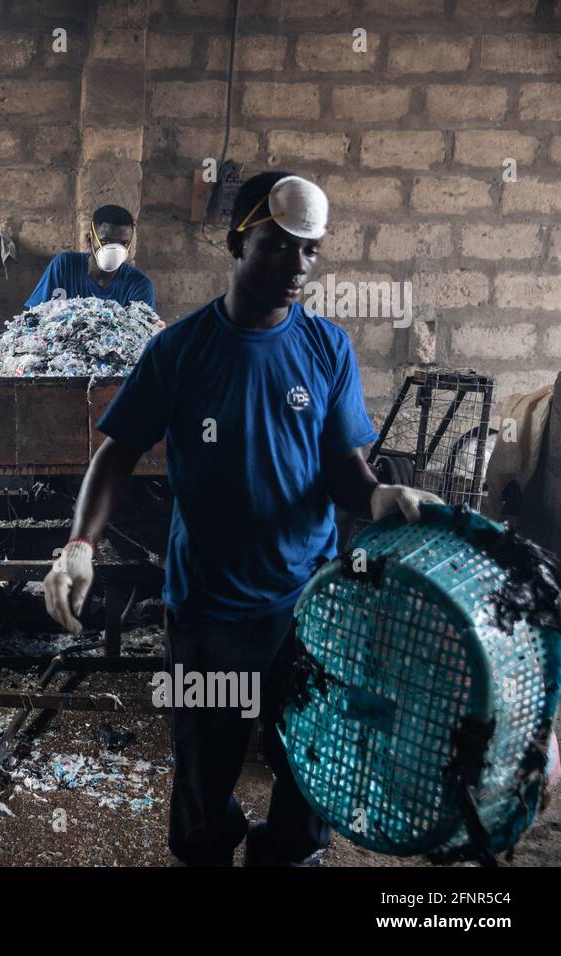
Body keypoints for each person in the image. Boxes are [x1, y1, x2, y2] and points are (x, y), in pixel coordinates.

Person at [42, 172, 442, 867]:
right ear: (239, 239)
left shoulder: (326, 349)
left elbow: (343, 466)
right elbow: (116, 453)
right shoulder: (182, 350)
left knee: (310, 774)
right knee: (203, 781)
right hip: (207, 614)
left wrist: (378, 497)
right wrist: (79, 544)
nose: (298, 267)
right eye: (279, 246)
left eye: (311, 251)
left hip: (305, 609)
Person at [25, 204, 156, 309]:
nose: (114, 249)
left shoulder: (139, 286)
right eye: (106, 241)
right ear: (89, 240)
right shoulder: (64, 266)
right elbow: (36, 316)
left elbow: (141, 337)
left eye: (123, 243)